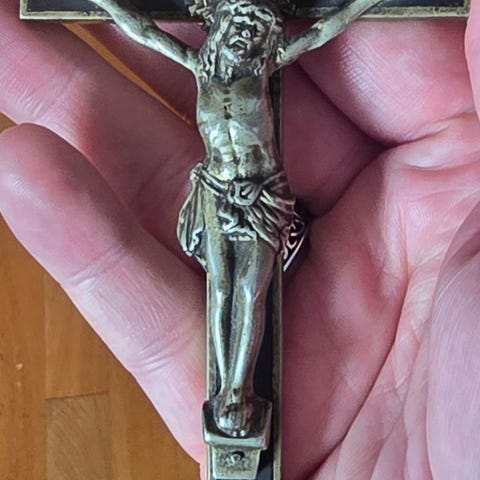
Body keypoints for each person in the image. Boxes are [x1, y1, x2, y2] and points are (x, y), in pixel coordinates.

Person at [1, 0, 480, 475]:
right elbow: (143, 32)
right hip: (215, 191)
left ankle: (238, 392)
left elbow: (323, 30)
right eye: (237, 25)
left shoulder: (269, 64)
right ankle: (228, 397)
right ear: (221, 28)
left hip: (261, 196)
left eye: (253, 29)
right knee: (222, 293)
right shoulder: (200, 67)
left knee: (250, 293)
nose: (243, 36)